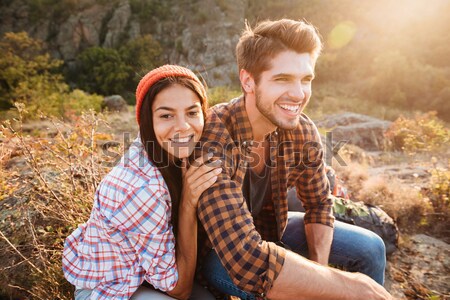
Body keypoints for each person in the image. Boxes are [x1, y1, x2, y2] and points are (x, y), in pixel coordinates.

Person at [194, 19, 394, 299]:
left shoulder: (301, 129)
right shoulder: (214, 136)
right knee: (280, 284)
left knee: (371, 248)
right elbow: (245, 260)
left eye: (306, 79)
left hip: (269, 230)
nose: (299, 94)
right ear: (248, 80)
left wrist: (319, 273)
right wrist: (345, 287)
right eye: (283, 79)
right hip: (219, 250)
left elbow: (319, 205)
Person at [62, 65, 220, 300]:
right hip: (110, 288)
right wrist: (188, 203)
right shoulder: (141, 189)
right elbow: (179, 290)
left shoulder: (174, 152)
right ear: (148, 120)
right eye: (166, 115)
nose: (183, 126)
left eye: (192, 112)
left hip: (146, 274)